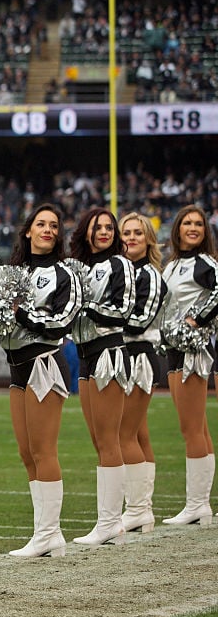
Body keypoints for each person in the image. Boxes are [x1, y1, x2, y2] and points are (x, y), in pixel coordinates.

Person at [2, 204, 82, 558]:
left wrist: (21, 314)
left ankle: (50, 533)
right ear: (28, 231)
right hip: (16, 365)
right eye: (41, 224)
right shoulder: (13, 271)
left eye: (53, 225)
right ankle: (43, 532)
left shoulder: (65, 273)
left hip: (45, 362)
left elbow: (61, 323)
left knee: (43, 450)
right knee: (26, 451)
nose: (47, 229)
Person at [69, 207, 135, 546]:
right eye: (98, 227)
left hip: (108, 351)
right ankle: (109, 522)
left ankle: (110, 522)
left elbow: (124, 311)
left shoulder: (119, 264)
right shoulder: (79, 266)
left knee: (109, 439)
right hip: (83, 355)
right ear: (86, 231)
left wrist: (82, 304)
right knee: (98, 440)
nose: (105, 232)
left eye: (110, 227)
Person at [160, 205, 217, 526]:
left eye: (198, 224)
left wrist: (199, 319)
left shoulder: (205, 263)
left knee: (191, 427)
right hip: (173, 349)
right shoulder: (173, 264)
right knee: (199, 427)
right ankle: (202, 503)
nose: (193, 228)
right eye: (187, 223)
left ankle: (196, 504)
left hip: (192, 350)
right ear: (177, 229)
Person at [118, 212, 167, 533]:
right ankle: (143, 509)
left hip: (139, 355)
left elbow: (140, 321)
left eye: (138, 233)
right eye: (126, 233)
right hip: (125, 354)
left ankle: (136, 509)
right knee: (138, 433)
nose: (131, 238)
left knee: (123, 434)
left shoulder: (150, 275)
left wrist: (101, 320)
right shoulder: (123, 271)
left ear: (149, 239)